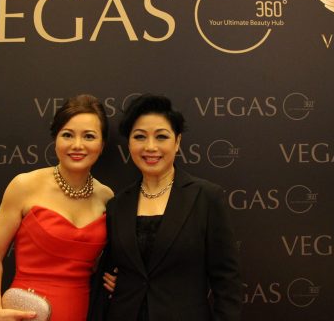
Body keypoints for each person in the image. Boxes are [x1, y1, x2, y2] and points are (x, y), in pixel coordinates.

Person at [95, 94, 242, 321]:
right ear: (130, 143)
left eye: (161, 136)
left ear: (177, 141)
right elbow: (113, 269)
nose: (150, 147)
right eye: (140, 137)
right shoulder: (117, 205)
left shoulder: (206, 197)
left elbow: (227, 282)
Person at [0, 94, 114, 321]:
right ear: (55, 140)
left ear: (101, 145)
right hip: (27, 314)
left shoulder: (107, 197)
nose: (77, 145)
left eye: (89, 136)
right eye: (67, 135)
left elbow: (106, 264)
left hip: (84, 312)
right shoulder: (24, 186)